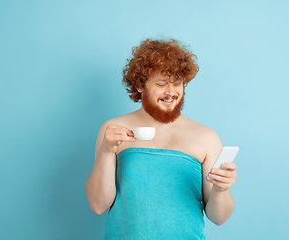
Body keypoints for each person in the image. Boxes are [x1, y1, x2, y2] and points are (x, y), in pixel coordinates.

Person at [85, 39, 237, 239]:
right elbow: (98, 205)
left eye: (177, 83)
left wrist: (221, 189)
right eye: (161, 84)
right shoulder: (113, 131)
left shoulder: (206, 137)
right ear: (140, 86)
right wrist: (106, 151)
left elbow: (219, 218)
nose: (171, 92)